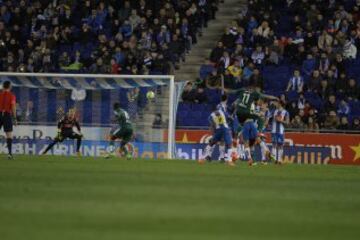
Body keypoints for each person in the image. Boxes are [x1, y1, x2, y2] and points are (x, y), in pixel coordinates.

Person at [233, 86, 278, 165]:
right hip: (252, 124)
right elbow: (257, 113)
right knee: (258, 139)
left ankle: (249, 159)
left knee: (246, 142)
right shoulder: (253, 105)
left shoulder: (247, 105)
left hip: (247, 124)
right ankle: (269, 153)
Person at [0, 81, 17, 159]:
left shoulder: (0, 95)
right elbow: (13, 107)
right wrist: (15, 118)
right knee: (9, 135)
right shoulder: (12, 95)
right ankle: (9, 154)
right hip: (7, 115)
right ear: (9, 86)